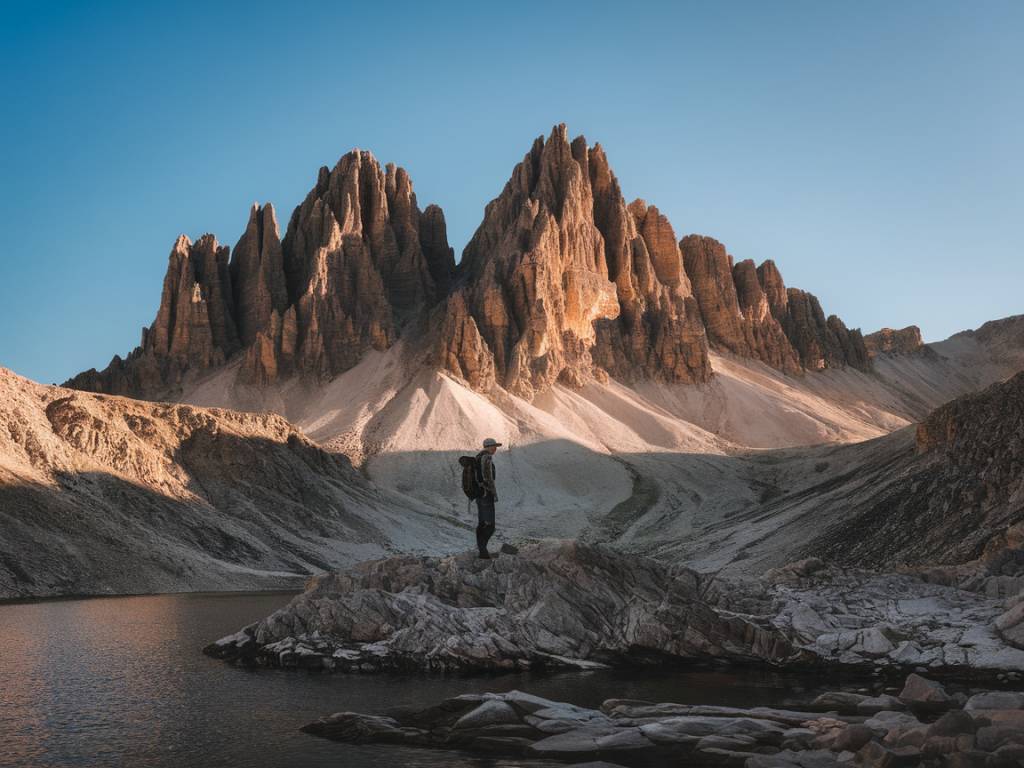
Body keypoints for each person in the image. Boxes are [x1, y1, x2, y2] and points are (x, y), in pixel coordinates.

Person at [475, 437, 501, 558]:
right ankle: (483, 551)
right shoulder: (487, 458)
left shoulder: (478, 457)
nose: (495, 448)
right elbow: (489, 478)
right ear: (489, 447)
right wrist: (494, 494)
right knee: (490, 526)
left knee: (481, 524)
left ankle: (482, 551)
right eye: (494, 446)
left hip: (479, 495)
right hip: (486, 494)